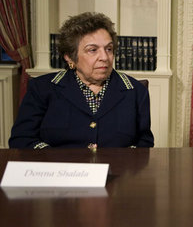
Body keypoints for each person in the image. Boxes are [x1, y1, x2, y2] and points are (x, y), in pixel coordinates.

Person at [9, 12, 154, 149]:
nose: (104, 57)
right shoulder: (41, 88)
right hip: (58, 173)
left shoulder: (135, 91)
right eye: (93, 50)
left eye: (109, 49)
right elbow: (22, 139)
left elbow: (144, 142)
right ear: (70, 58)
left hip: (117, 172)